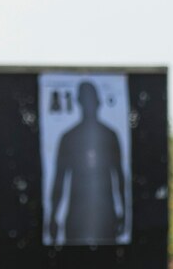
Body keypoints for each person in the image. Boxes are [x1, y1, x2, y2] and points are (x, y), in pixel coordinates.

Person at [47, 81, 127, 245]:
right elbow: (59, 181)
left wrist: (124, 212)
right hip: (78, 215)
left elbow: (119, 178)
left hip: (104, 215)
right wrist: (53, 217)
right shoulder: (69, 137)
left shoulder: (109, 136)